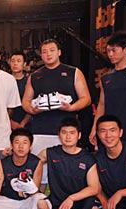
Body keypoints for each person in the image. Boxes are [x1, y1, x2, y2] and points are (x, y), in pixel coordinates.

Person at [22, 39, 91, 185]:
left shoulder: (73, 72)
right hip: (40, 131)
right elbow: (25, 103)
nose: (48, 54)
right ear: (41, 55)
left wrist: (71, 108)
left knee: (65, 175)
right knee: (38, 174)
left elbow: (86, 98)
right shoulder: (35, 76)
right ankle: (38, 204)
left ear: (59, 52)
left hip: (66, 132)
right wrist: (33, 109)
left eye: (52, 50)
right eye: (45, 51)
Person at [36, 118, 101, 209]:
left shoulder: (87, 158)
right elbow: (32, 162)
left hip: (78, 203)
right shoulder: (50, 153)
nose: (68, 136)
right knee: (41, 203)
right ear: (59, 135)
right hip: (58, 203)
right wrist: (11, 155)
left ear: (78, 135)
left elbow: (94, 187)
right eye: (64, 132)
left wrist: (72, 198)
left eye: (72, 133)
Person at [8, 51, 31, 131]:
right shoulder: (4, 80)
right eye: (13, 61)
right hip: (6, 123)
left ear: (24, 64)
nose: (15, 64)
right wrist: (9, 122)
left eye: (18, 61)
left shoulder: (29, 81)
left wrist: (23, 123)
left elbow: (32, 104)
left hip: (26, 122)